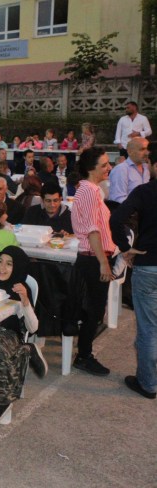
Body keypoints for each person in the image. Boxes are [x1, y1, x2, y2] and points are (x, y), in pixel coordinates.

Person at [0, 246, 47, 425]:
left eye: (9, 264)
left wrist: (25, 300)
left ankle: (1, 401)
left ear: (18, 266)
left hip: (9, 334)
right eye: (0, 262)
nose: (2, 267)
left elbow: (33, 328)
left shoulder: (19, 288)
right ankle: (26, 351)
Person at [110, 157, 157, 399]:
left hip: (148, 265)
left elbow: (116, 218)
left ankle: (148, 383)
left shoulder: (144, 191)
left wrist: (125, 247)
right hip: (148, 266)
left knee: (148, 328)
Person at [70, 147, 115, 376]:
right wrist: (103, 263)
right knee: (94, 312)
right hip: (92, 258)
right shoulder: (89, 190)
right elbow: (92, 230)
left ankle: (84, 353)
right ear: (91, 169)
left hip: (94, 257)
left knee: (94, 311)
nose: (109, 168)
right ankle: (84, 355)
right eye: (104, 165)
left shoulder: (91, 190)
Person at [108, 137, 150, 204]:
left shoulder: (147, 168)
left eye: (148, 149)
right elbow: (118, 199)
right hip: (129, 210)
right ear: (130, 152)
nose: (147, 153)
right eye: (142, 149)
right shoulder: (121, 170)